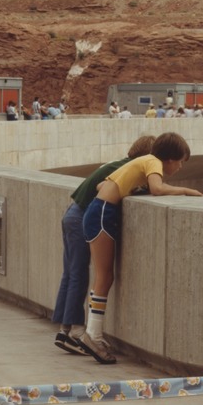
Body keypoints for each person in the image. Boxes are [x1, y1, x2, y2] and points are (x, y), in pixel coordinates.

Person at [80, 133, 203, 360]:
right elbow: (157, 188)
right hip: (103, 213)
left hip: (98, 210)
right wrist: (186, 190)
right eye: (181, 161)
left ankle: (92, 331)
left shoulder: (142, 162)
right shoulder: (152, 161)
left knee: (102, 276)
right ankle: (93, 335)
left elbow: (101, 184)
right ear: (169, 158)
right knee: (105, 276)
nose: (180, 167)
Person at [53, 133, 157, 362]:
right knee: (79, 273)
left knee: (70, 273)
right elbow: (106, 186)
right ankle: (78, 330)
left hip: (72, 213)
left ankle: (64, 329)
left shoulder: (118, 162)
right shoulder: (128, 168)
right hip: (81, 216)